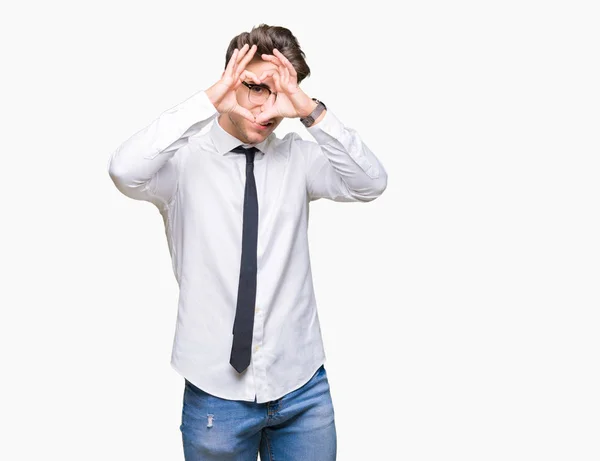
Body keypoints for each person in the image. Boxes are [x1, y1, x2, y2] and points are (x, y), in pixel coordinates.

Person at [108, 23, 387, 461]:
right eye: (255, 87)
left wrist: (310, 110)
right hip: (216, 395)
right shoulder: (181, 164)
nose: (267, 108)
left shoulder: (298, 158)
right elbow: (124, 170)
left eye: (280, 93)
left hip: (302, 390)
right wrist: (208, 101)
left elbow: (371, 183)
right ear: (229, 80)